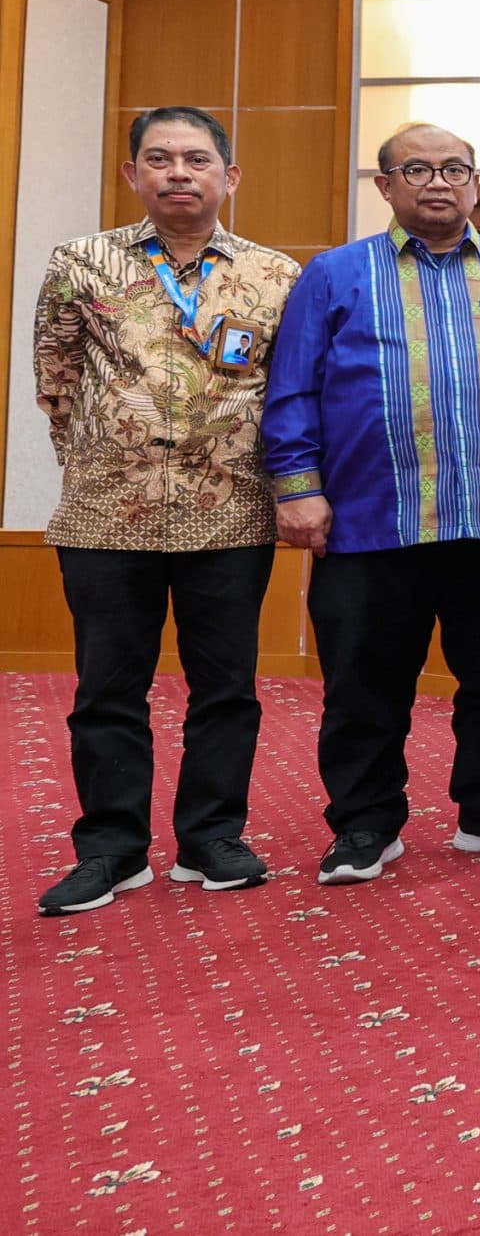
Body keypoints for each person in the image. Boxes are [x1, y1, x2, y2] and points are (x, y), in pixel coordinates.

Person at [31, 107, 301, 916]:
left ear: (230, 175)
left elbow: (288, 389)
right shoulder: (82, 261)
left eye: (196, 158)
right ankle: (111, 848)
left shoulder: (275, 274)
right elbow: (56, 379)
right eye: (159, 158)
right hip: (107, 513)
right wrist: (105, 459)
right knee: (107, 690)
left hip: (231, 511)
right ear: (132, 174)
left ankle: (212, 836)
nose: (178, 172)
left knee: (227, 688)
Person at [265, 125, 480, 885]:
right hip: (371, 522)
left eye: (454, 168)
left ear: (476, 183)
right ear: (385, 186)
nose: (438, 182)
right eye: (417, 169)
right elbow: (291, 389)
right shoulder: (333, 274)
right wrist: (298, 488)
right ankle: (365, 823)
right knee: (363, 683)